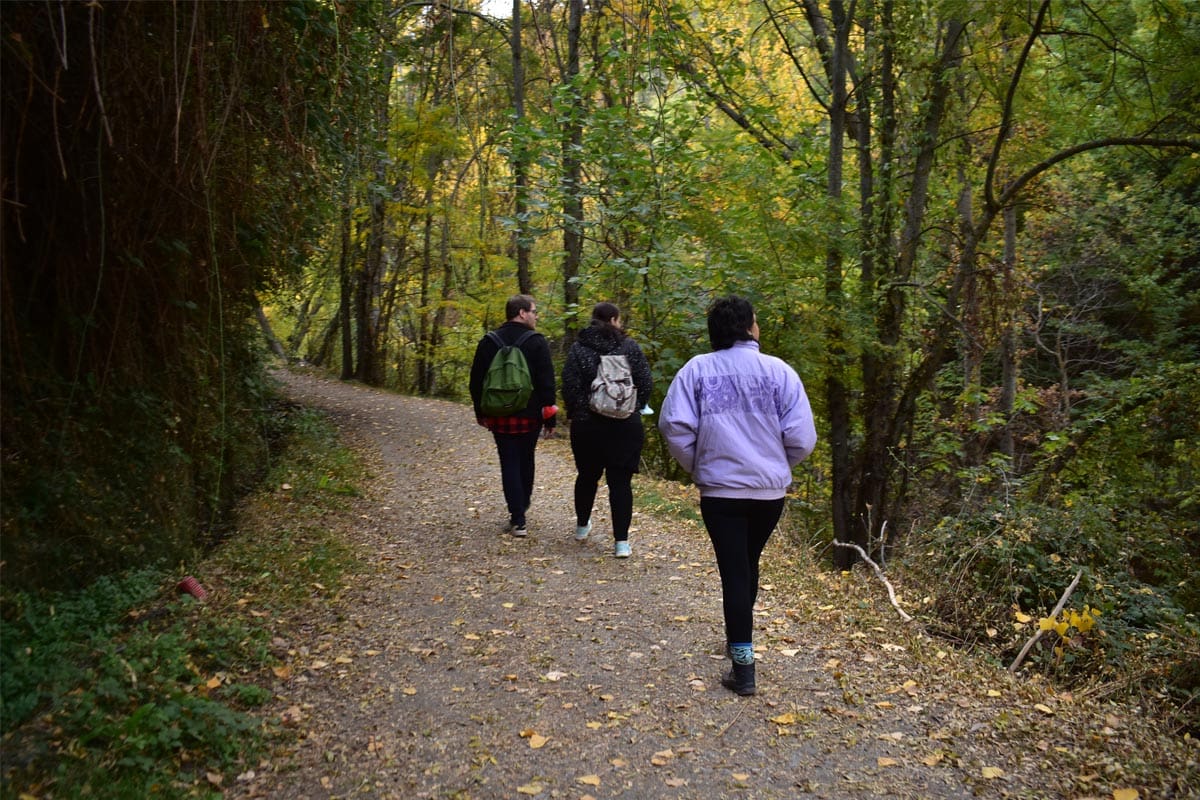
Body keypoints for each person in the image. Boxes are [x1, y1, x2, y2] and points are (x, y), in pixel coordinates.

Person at [658, 295, 817, 696]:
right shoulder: (779, 372)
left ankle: (743, 668)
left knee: (735, 569)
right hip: (768, 493)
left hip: (721, 492)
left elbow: (673, 425)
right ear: (749, 325)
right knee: (747, 562)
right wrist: (777, 466)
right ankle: (737, 642)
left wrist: (699, 465)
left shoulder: (697, 369)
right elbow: (801, 437)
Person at [561, 302, 654, 558]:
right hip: (625, 426)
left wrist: (583, 413)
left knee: (587, 476)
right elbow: (645, 382)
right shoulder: (629, 347)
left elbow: (569, 386)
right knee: (620, 483)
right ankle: (621, 543)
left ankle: (582, 527)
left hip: (588, 427)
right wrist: (631, 409)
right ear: (614, 319)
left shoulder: (579, 348)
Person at [469, 294, 558, 537]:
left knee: (508, 461)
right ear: (521, 313)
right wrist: (550, 416)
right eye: (533, 311)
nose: (536, 316)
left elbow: (476, 380)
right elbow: (546, 383)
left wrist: (480, 411)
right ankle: (523, 504)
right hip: (529, 414)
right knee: (526, 458)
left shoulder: (489, 341)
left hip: (498, 413)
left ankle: (517, 517)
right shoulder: (536, 342)